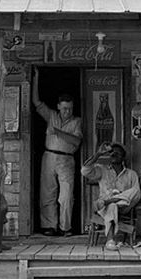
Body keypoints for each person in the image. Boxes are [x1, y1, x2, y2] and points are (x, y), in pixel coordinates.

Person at [32, 68, 83, 236]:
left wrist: (59, 132)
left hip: (67, 159)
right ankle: (50, 226)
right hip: (49, 156)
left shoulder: (77, 121)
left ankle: (65, 227)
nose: (67, 111)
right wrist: (36, 78)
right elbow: (36, 102)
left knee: (66, 195)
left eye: (70, 108)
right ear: (58, 107)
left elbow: (76, 141)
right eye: (64, 108)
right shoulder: (52, 115)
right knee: (48, 193)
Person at [81, 142, 141, 251]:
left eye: (117, 153)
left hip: (123, 206)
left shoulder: (131, 174)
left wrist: (120, 201)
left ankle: (109, 201)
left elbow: (136, 195)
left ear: (123, 157)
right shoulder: (102, 170)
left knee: (135, 190)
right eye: (112, 153)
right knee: (112, 206)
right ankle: (110, 240)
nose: (114, 154)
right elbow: (85, 171)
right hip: (104, 208)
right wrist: (98, 154)